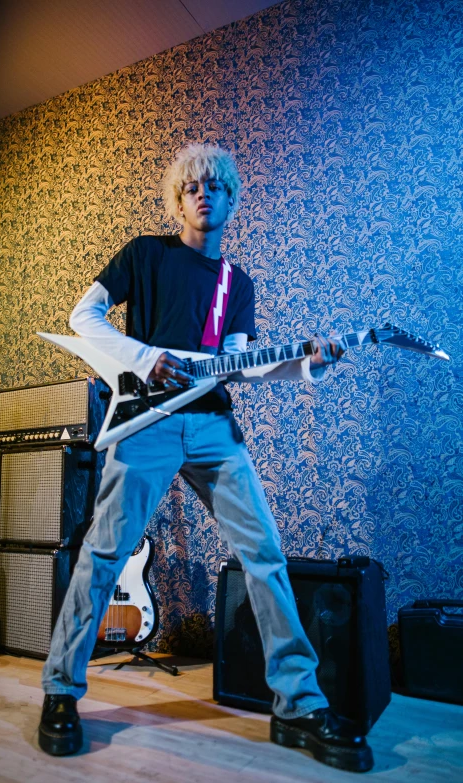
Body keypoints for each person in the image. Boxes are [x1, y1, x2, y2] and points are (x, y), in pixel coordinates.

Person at [38, 143, 373, 773]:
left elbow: (241, 366)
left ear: (229, 199)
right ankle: (61, 691)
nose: (203, 194)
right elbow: (84, 317)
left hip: (214, 425)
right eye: (192, 186)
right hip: (149, 425)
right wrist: (144, 359)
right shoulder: (146, 254)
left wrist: (308, 363)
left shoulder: (235, 283)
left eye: (215, 186)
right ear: (178, 198)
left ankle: (298, 705)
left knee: (265, 557)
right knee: (104, 553)